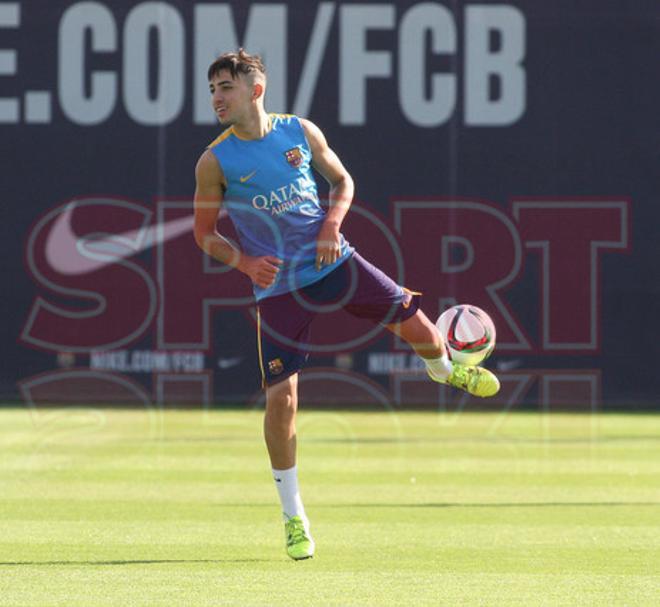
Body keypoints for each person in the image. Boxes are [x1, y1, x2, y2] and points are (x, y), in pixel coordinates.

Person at [193, 49, 500, 561]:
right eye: (212, 90)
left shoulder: (299, 132)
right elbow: (205, 234)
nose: (217, 98)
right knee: (282, 402)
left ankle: (445, 372)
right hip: (279, 289)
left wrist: (332, 225)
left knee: (422, 331)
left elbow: (342, 181)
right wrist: (245, 263)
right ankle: (294, 517)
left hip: (334, 262)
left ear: (255, 90)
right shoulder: (215, 160)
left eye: (226, 87)